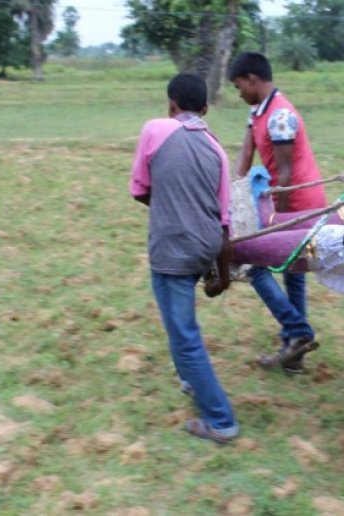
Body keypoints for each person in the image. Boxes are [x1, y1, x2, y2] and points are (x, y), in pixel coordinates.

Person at [129, 73, 238, 443]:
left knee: (184, 334)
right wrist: (223, 274)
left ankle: (221, 420)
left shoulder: (155, 129)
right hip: (207, 245)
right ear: (205, 109)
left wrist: (168, 206)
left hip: (173, 246)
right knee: (179, 325)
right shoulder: (217, 148)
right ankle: (192, 381)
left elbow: (140, 191)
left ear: (171, 105)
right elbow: (224, 223)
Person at [229, 52, 326, 374]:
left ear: (252, 79)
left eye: (238, 85)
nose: (238, 92)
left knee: (254, 264)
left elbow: (283, 176)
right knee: (293, 276)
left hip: (298, 204)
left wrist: (274, 224)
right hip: (285, 201)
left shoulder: (280, 116)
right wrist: (231, 197)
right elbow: (245, 158)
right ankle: (294, 353)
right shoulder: (256, 112)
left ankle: (297, 333)